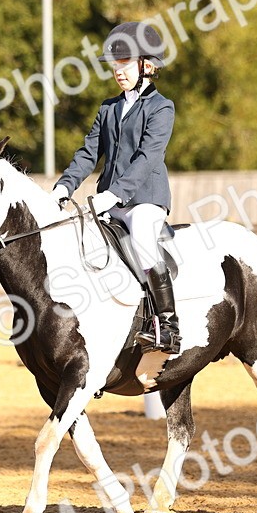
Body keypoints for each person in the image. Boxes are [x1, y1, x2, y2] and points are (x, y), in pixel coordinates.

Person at [50, 21, 180, 354]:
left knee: (143, 240)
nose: (117, 71)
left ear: (146, 65)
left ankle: (168, 325)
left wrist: (115, 194)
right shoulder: (108, 107)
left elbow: (148, 158)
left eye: (124, 64)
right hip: (107, 201)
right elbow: (88, 152)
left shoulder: (161, 107)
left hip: (145, 199)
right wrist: (64, 186)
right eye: (114, 65)